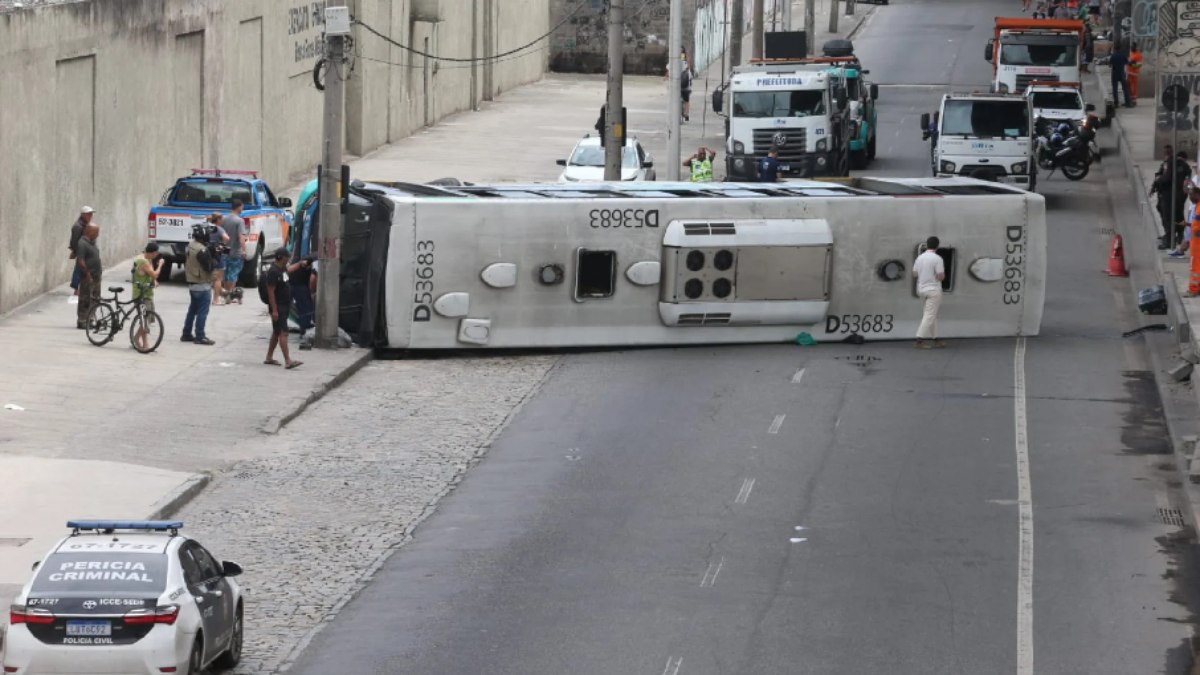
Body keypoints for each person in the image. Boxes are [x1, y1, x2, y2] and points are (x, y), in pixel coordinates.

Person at [265, 247, 302, 369]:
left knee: (276, 332)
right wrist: (274, 310)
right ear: (282, 258)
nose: (288, 259)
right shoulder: (273, 272)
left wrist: (300, 264)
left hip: (284, 306)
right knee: (283, 332)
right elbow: (271, 292)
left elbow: (289, 271)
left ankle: (269, 357)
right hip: (278, 307)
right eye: (287, 257)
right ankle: (288, 360)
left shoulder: (282, 269)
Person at [181, 224, 216, 345]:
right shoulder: (202, 250)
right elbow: (209, 267)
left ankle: (186, 333)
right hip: (202, 285)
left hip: (192, 283)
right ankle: (200, 336)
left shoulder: (190, 245)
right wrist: (215, 257)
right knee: (202, 312)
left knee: (192, 310)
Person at [1151, 145, 1192, 248]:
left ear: (1165, 154)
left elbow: (1165, 178)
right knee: (1178, 215)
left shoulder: (1169, 163)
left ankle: (1170, 239)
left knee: (1168, 217)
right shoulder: (1182, 164)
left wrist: (1157, 182)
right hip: (1179, 196)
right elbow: (1187, 176)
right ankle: (1178, 234)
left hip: (1168, 196)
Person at [912, 236, 946, 349]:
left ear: (927, 244)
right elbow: (941, 276)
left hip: (921, 290)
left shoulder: (919, 258)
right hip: (933, 290)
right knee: (929, 315)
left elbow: (915, 274)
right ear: (937, 245)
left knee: (932, 315)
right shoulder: (937, 259)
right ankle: (919, 340)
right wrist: (938, 277)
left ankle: (936, 339)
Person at [130, 242, 163, 352]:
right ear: (153, 253)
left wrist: (154, 281)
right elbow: (154, 273)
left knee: (145, 320)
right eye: (156, 253)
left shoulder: (146, 259)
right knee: (145, 320)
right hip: (141, 294)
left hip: (146, 293)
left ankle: (145, 344)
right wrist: (160, 265)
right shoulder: (143, 261)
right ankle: (136, 338)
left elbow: (151, 275)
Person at [74, 222, 101, 330]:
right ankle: (82, 320)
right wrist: (87, 274)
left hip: (96, 276)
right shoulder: (82, 243)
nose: (98, 234)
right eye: (96, 232)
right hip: (88, 276)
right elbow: (80, 261)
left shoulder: (92, 242)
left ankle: (90, 319)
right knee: (85, 298)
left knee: (95, 299)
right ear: (90, 231)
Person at [220, 199, 248, 303]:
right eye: (242, 206)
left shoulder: (224, 219)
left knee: (225, 274)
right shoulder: (239, 221)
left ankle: (228, 294)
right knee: (232, 274)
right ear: (239, 207)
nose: (243, 208)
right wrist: (244, 250)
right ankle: (229, 295)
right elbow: (241, 237)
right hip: (235, 252)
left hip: (224, 251)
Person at [289, 254, 318, 347]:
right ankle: (306, 334)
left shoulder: (312, 256)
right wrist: (312, 292)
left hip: (292, 282)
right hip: (299, 284)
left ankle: (303, 330)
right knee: (306, 309)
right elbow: (313, 279)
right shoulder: (318, 261)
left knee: (303, 308)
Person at [67, 206, 94, 299]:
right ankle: (76, 289)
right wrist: (77, 251)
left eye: (91, 214)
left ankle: (81, 288)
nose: (91, 216)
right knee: (79, 269)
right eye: (89, 214)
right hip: (81, 251)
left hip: (86, 251)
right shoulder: (78, 226)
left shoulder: (84, 224)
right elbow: (74, 241)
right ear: (83, 215)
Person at [207, 212, 230, 306]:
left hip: (207, 253)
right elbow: (227, 238)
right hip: (217, 254)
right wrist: (221, 244)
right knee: (218, 279)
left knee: (210, 277)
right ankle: (216, 299)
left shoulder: (207, 227)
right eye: (221, 219)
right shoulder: (219, 229)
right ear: (218, 220)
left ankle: (221, 293)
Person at [681, 57, 693, 123]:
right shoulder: (689, 72)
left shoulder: (678, 71)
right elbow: (690, 82)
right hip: (686, 89)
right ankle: (687, 114)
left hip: (679, 89)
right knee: (687, 102)